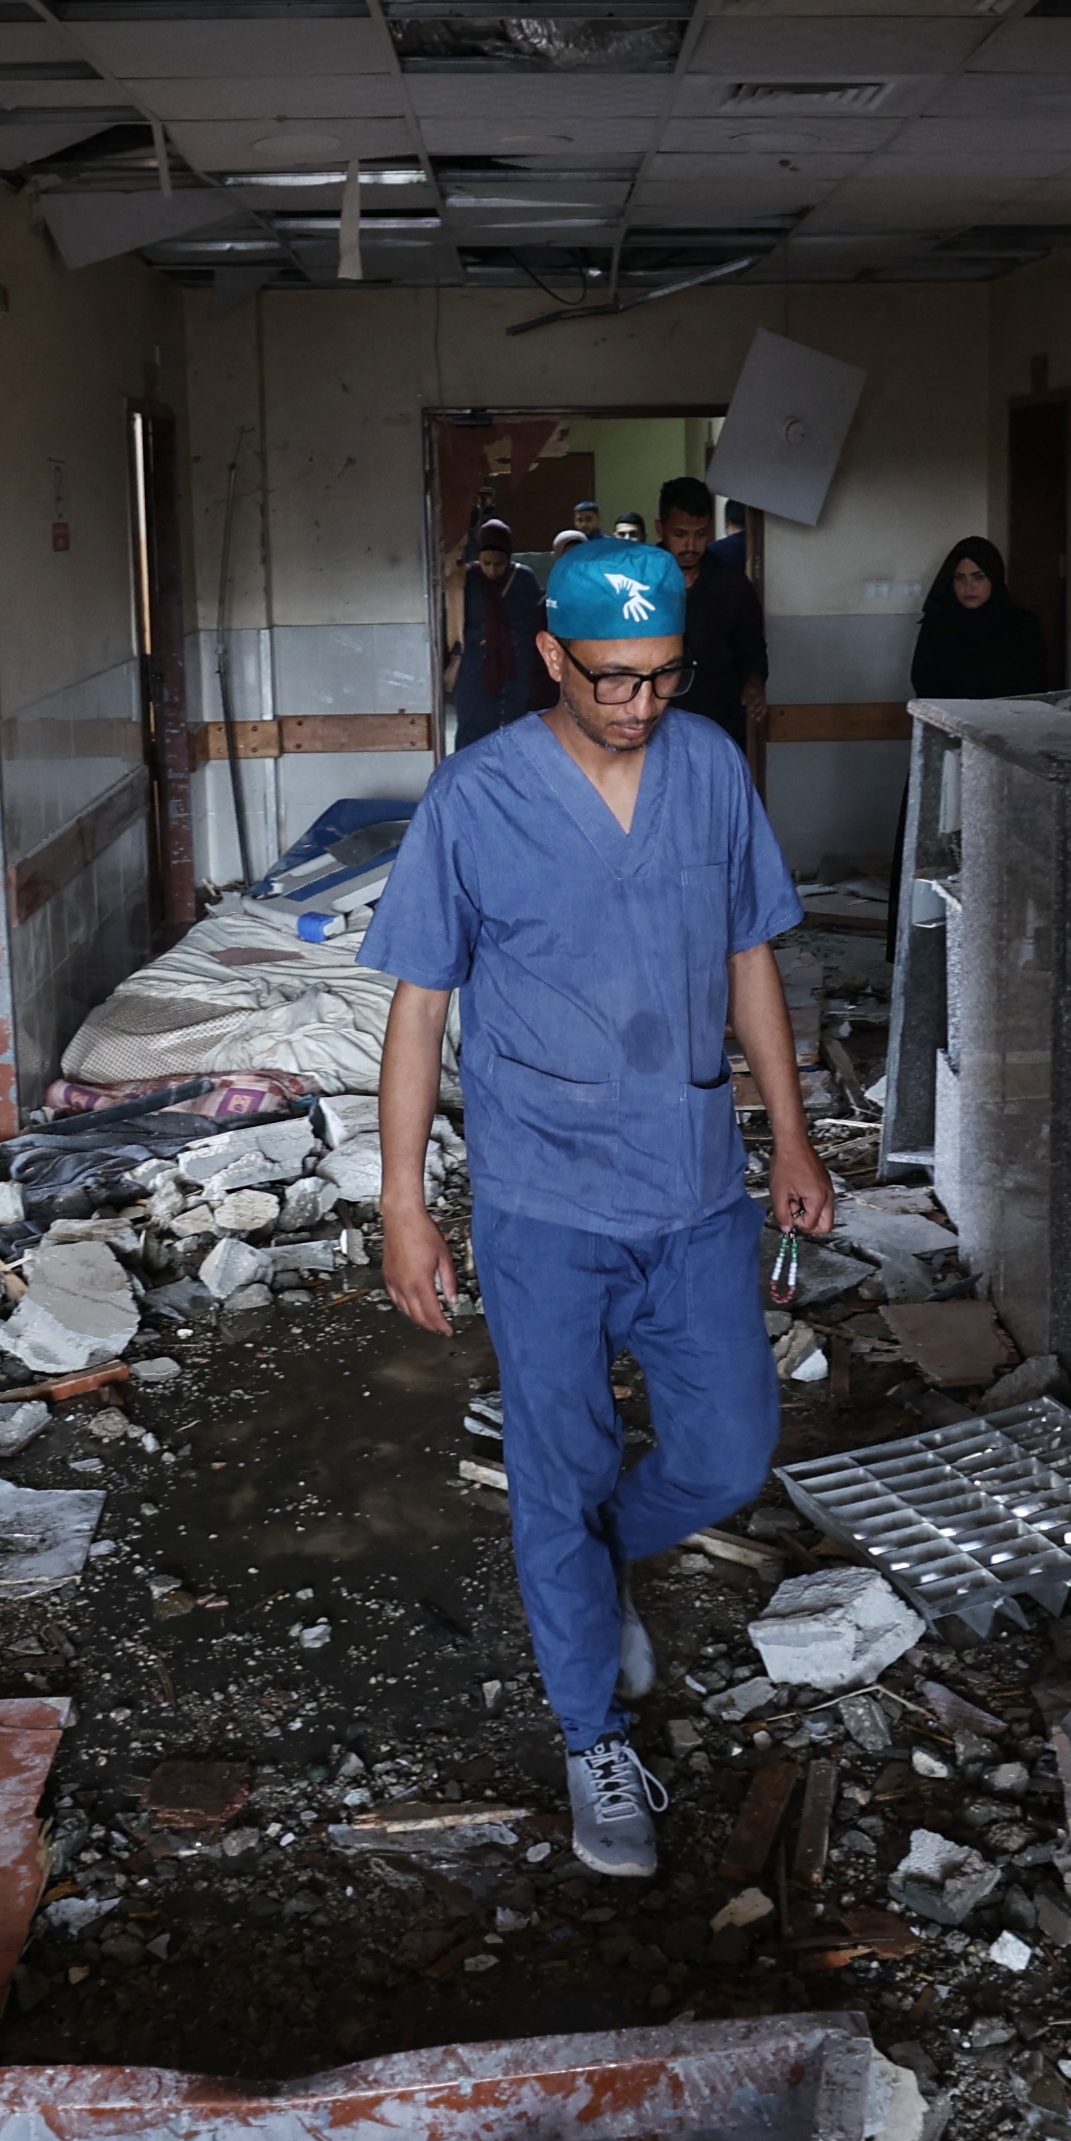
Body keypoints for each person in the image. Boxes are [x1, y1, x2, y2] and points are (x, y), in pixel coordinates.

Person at [368, 536, 833, 1877]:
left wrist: (790, 1138)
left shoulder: (708, 774)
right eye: (613, 680)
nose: (639, 706)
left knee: (728, 1454)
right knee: (554, 1474)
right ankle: (591, 1739)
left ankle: (594, 1561)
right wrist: (404, 1203)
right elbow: (418, 1012)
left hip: (693, 1190)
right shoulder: (478, 799)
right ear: (553, 659)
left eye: (664, 679)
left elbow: (750, 960)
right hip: (543, 1206)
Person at [654, 473, 768, 746]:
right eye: (680, 534)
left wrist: (754, 683)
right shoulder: (641, 582)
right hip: (655, 723)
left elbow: (753, 650)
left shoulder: (731, 585)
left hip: (718, 723)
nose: (691, 546)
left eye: (701, 534)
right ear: (661, 529)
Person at [908, 535, 1052, 698]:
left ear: (993, 578)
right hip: (948, 719)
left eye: (979, 577)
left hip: (1007, 719)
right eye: (960, 577)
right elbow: (923, 681)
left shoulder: (1023, 625)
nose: (968, 587)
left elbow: (1035, 686)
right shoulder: (938, 622)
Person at [447, 517, 545, 745]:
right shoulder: (466, 579)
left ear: (509, 558)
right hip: (475, 668)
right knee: (472, 727)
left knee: (512, 727)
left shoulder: (523, 579)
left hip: (513, 667)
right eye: (486, 562)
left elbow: (532, 622)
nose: (491, 570)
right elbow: (455, 621)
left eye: (499, 564)